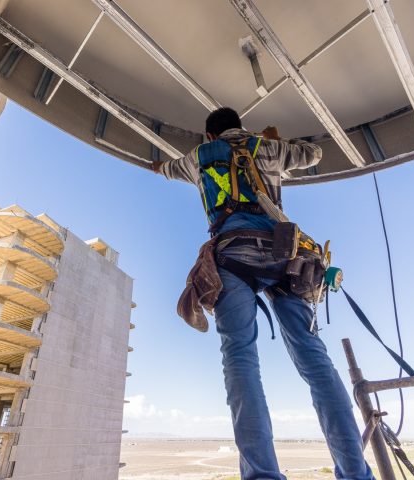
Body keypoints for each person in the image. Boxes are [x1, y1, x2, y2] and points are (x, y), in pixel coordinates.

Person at [152, 107, 375, 480]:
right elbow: (314, 154)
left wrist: (158, 166)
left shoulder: (198, 157)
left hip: (232, 254)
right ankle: (356, 473)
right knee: (316, 361)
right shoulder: (267, 147)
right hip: (286, 256)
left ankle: (263, 475)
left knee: (240, 359)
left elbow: (167, 168)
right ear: (240, 127)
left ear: (210, 136)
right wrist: (273, 142)